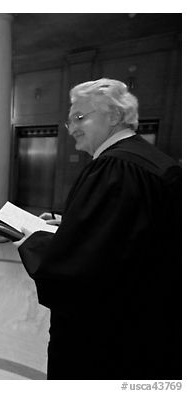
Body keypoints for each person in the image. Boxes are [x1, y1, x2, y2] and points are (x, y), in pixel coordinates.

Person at [15, 78, 181, 379]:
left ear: (114, 116)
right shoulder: (145, 160)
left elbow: (85, 261)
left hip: (107, 331)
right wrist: (71, 223)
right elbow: (123, 232)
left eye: (80, 117)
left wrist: (35, 240)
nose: (73, 128)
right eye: (69, 122)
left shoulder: (115, 167)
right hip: (150, 317)